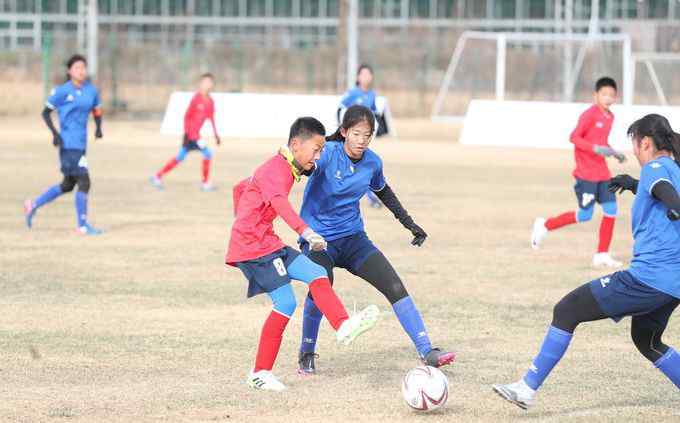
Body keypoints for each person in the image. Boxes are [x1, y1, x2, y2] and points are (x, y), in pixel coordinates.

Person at [493, 114, 680, 410]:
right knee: (648, 340)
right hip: (673, 284)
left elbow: (668, 195)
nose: (634, 151)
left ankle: (525, 389)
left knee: (567, 309)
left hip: (648, 278)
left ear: (645, 142)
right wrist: (633, 184)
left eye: (635, 144)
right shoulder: (673, 168)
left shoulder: (655, 167)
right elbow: (664, 191)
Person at [295, 105, 455, 375]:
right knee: (322, 284)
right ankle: (307, 351)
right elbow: (304, 165)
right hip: (318, 240)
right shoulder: (327, 153)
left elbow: (385, 193)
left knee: (393, 284)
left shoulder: (372, 162)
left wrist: (409, 223)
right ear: (344, 132)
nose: (362, 140)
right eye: (356, 134)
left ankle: (426, 350)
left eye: (367, 135)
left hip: (353, 239)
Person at [225, 116, 380, 392]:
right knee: (285, 303)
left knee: (316, 272)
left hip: (266, 241)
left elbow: (242, 186)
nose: (318, 157)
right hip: (254, 247)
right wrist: (306, 232)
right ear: (296, 145)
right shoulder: (280, 169)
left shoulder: (280, 167)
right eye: (316, 149)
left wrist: (245, 215)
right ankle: (260, 372)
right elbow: (280, 204)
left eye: (321, 150)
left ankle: (343, 325)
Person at [531, 77, 626, 268]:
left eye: (611, 95)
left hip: (603, 174)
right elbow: (574, 137)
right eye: (604, 94)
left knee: (611, 211)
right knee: (585, 215)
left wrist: (613, 152)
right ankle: (544, 225)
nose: (608, 98)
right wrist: (596, 149)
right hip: (586, 174)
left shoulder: (610, 117)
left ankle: (601, 254)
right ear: (596, 95)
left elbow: (602, 142)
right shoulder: (589, 115)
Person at [24, 54, 103, 235]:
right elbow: (46, 113)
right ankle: (82, 226)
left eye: (83, 67)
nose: (81, 71)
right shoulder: (61, 91)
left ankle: (32, 204)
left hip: (81, 144)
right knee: (84, 181)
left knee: (68, 184)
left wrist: (99, 128)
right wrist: (55, 134)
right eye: (77, 68)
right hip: (68, 144)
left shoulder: (91, 91)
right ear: (69, 71)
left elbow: (97, 110)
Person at [151, 73, 221, 191]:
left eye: (209, 82)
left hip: (195, 136)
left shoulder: (210, 102)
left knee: (180, 157)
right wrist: (188, 133)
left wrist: (216, 135)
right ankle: (205, 184)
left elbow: (212, 119)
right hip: (191, 136)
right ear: (201, 83)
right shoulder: (196, 98)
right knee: (207, 153)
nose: (207, 84)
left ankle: (157, 176)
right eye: (205, 82)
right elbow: (187, 117)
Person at [339, 64, 386, 208]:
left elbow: (373, 113)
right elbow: (340, 108)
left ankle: (370, 196)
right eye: (363, 74)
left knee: (362, 166)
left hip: (363, 138)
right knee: (355, 167)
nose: (366, 77)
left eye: (369, 74)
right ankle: (370, 197)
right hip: (350, 138)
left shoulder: (372, 95)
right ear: (358, 77)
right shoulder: (353, 93)